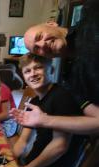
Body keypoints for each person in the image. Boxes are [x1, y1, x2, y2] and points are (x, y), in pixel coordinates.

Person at [10, 0, 99, 135]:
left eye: (40, 36)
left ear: (51, 24)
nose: (42, 45)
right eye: (37, 48)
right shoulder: (70, 80)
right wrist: (44, 120)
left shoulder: (92, 14)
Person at [13, 53, 85, 167]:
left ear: (50, 69)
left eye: (38, 68)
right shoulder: (34, 101)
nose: (32, 73)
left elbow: (60, 146)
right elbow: (23, 141)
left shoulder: (61, 97)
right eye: (27, 71)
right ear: (23, 76)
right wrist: (9, 160)